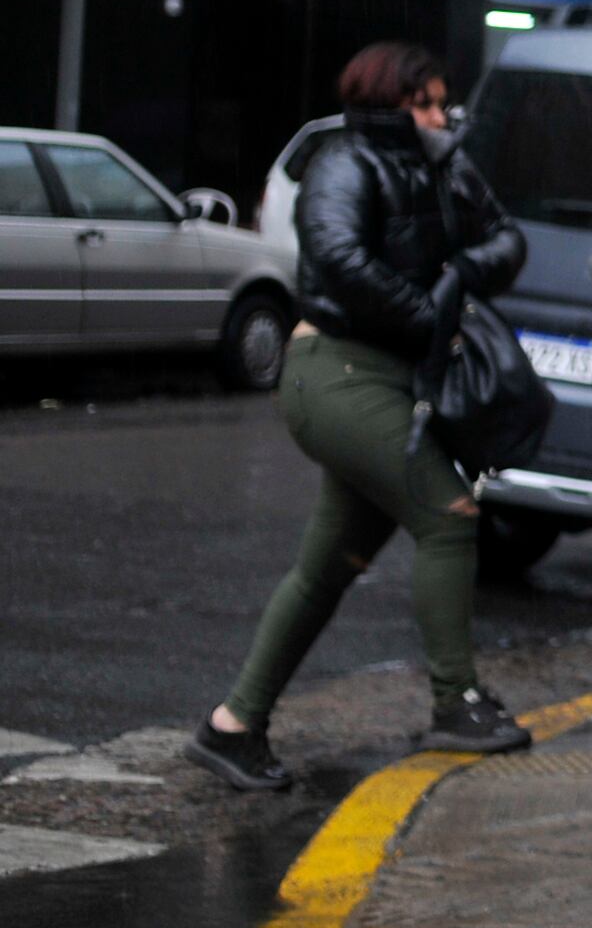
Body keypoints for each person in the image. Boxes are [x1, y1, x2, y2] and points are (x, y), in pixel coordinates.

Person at [188, 42, 535, 791]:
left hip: (391, 379)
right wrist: (427, 314)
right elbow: (340, 255)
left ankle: (233, 725)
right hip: (337, 373)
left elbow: (507, 237)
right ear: (388, 103)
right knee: (449, 515)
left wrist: (467, 270)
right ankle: (456, 701)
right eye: (428, 103)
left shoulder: (443, 166)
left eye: (447, 103)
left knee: (327, 568)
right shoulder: (344, 163)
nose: (443, 117)